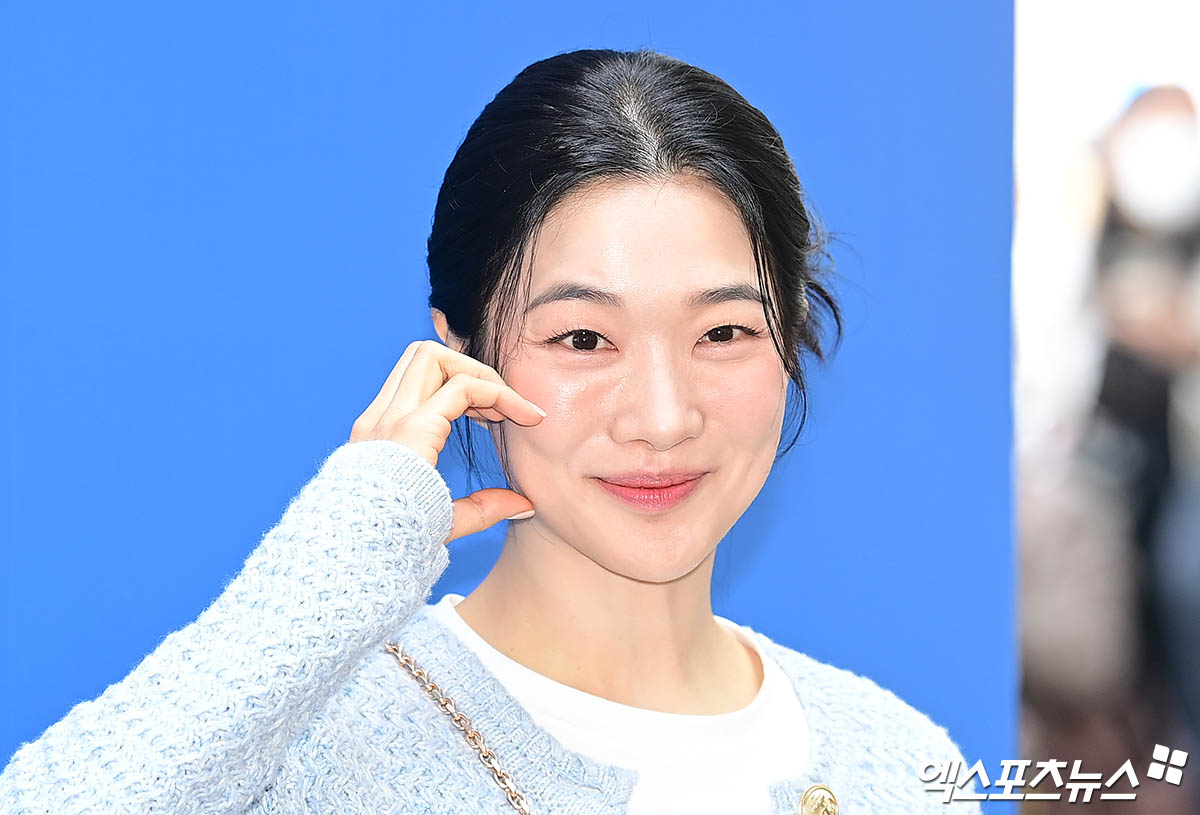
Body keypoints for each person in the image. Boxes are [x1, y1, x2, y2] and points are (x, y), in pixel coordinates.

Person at [0, 48, 980, 814]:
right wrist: (344, 553)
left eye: (723, 332)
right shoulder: (318, 736)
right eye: (583, 338)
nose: (663, 417)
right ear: (461, 354)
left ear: (791, 340)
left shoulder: (899, 760)